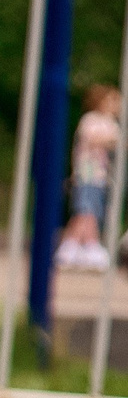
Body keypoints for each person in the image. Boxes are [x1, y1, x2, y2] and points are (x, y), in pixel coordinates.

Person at [60, 85, 121, 272]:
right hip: (88, 173)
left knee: (89, 210)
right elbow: (94, 139)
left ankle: (80, 245)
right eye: (114, 101)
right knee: (87, 209)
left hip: (100, 176)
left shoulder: (110, 122)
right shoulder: (92, 120)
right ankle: (84, 245)